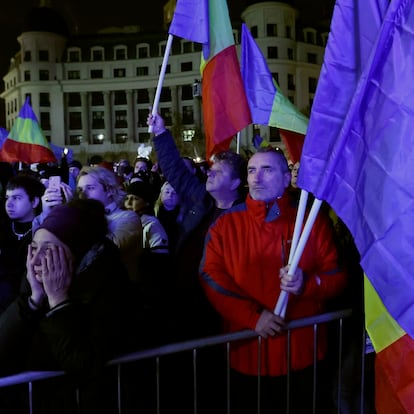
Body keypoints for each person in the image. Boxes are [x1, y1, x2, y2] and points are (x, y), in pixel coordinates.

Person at [200, 147, 348, 414]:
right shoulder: (224, 225)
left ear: (285, 177)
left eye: (267, 170)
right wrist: (253, 317)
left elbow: (336, 277)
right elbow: (211, 277)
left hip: (303, 353)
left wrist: (307, 284)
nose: (257, 177)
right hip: (246, 353)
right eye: (252, 170)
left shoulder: (311, 221)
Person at [0, 199, 137, 414]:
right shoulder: (34, 279)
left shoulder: (109, 284)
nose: (35, 260)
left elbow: (83, 365)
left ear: (77, 253)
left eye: (49, 251)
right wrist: (32, 301)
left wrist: (58, 301)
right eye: (34, 248)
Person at [77, 166, 142, 282]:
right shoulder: (79, 216)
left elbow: (103, 251)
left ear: (109, 190)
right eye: (80, 190)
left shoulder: (129, 218)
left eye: (90, 188)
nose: (83, 195)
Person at [0, 174, 45, 313]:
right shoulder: (3, 225)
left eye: (17, 198)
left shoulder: (42, 232)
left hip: (27, 303)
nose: (9, 203)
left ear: (34, 202)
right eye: (7, 197)